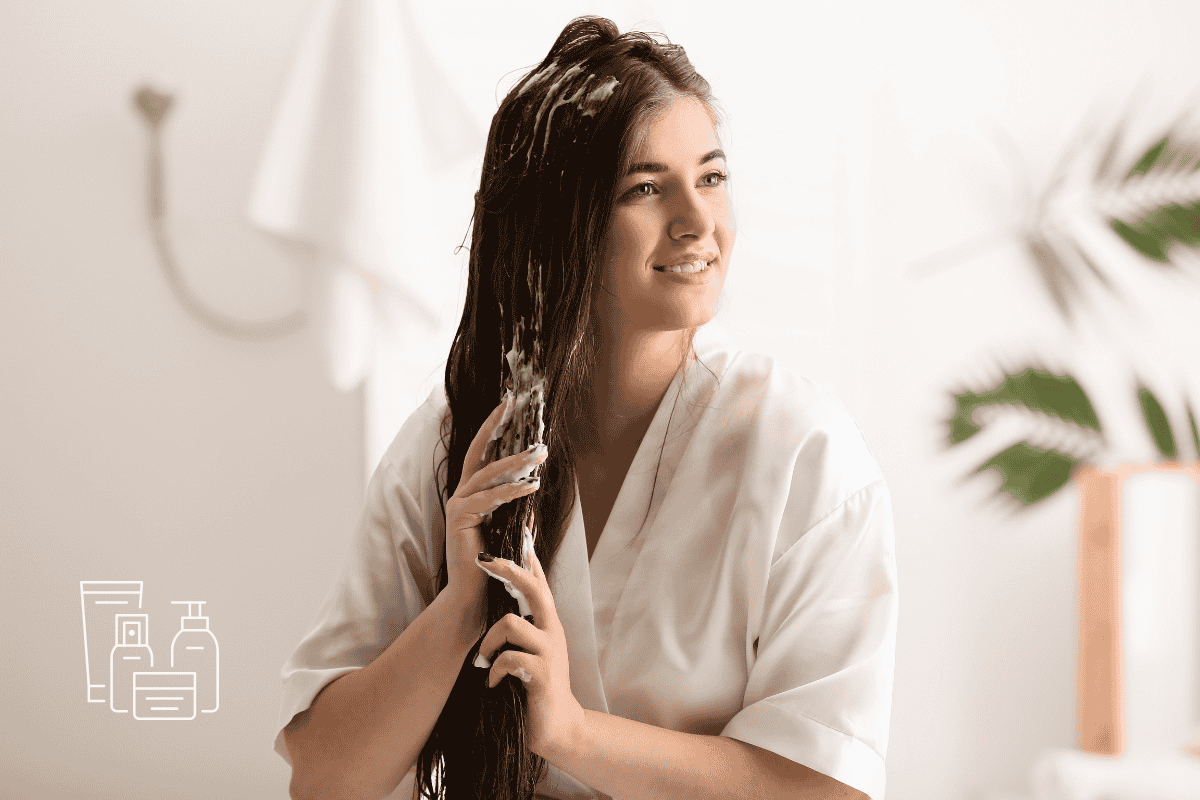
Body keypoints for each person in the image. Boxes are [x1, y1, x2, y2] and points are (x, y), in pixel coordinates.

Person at [276, 16, 896, 800]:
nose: (699, 222)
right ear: (557, 223)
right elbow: (325, 777)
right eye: (646, 189)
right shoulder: (457, 441)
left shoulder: (805, 454)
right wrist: (461, 607)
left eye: (711, 178)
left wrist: (572, 734)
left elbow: (827, 789)